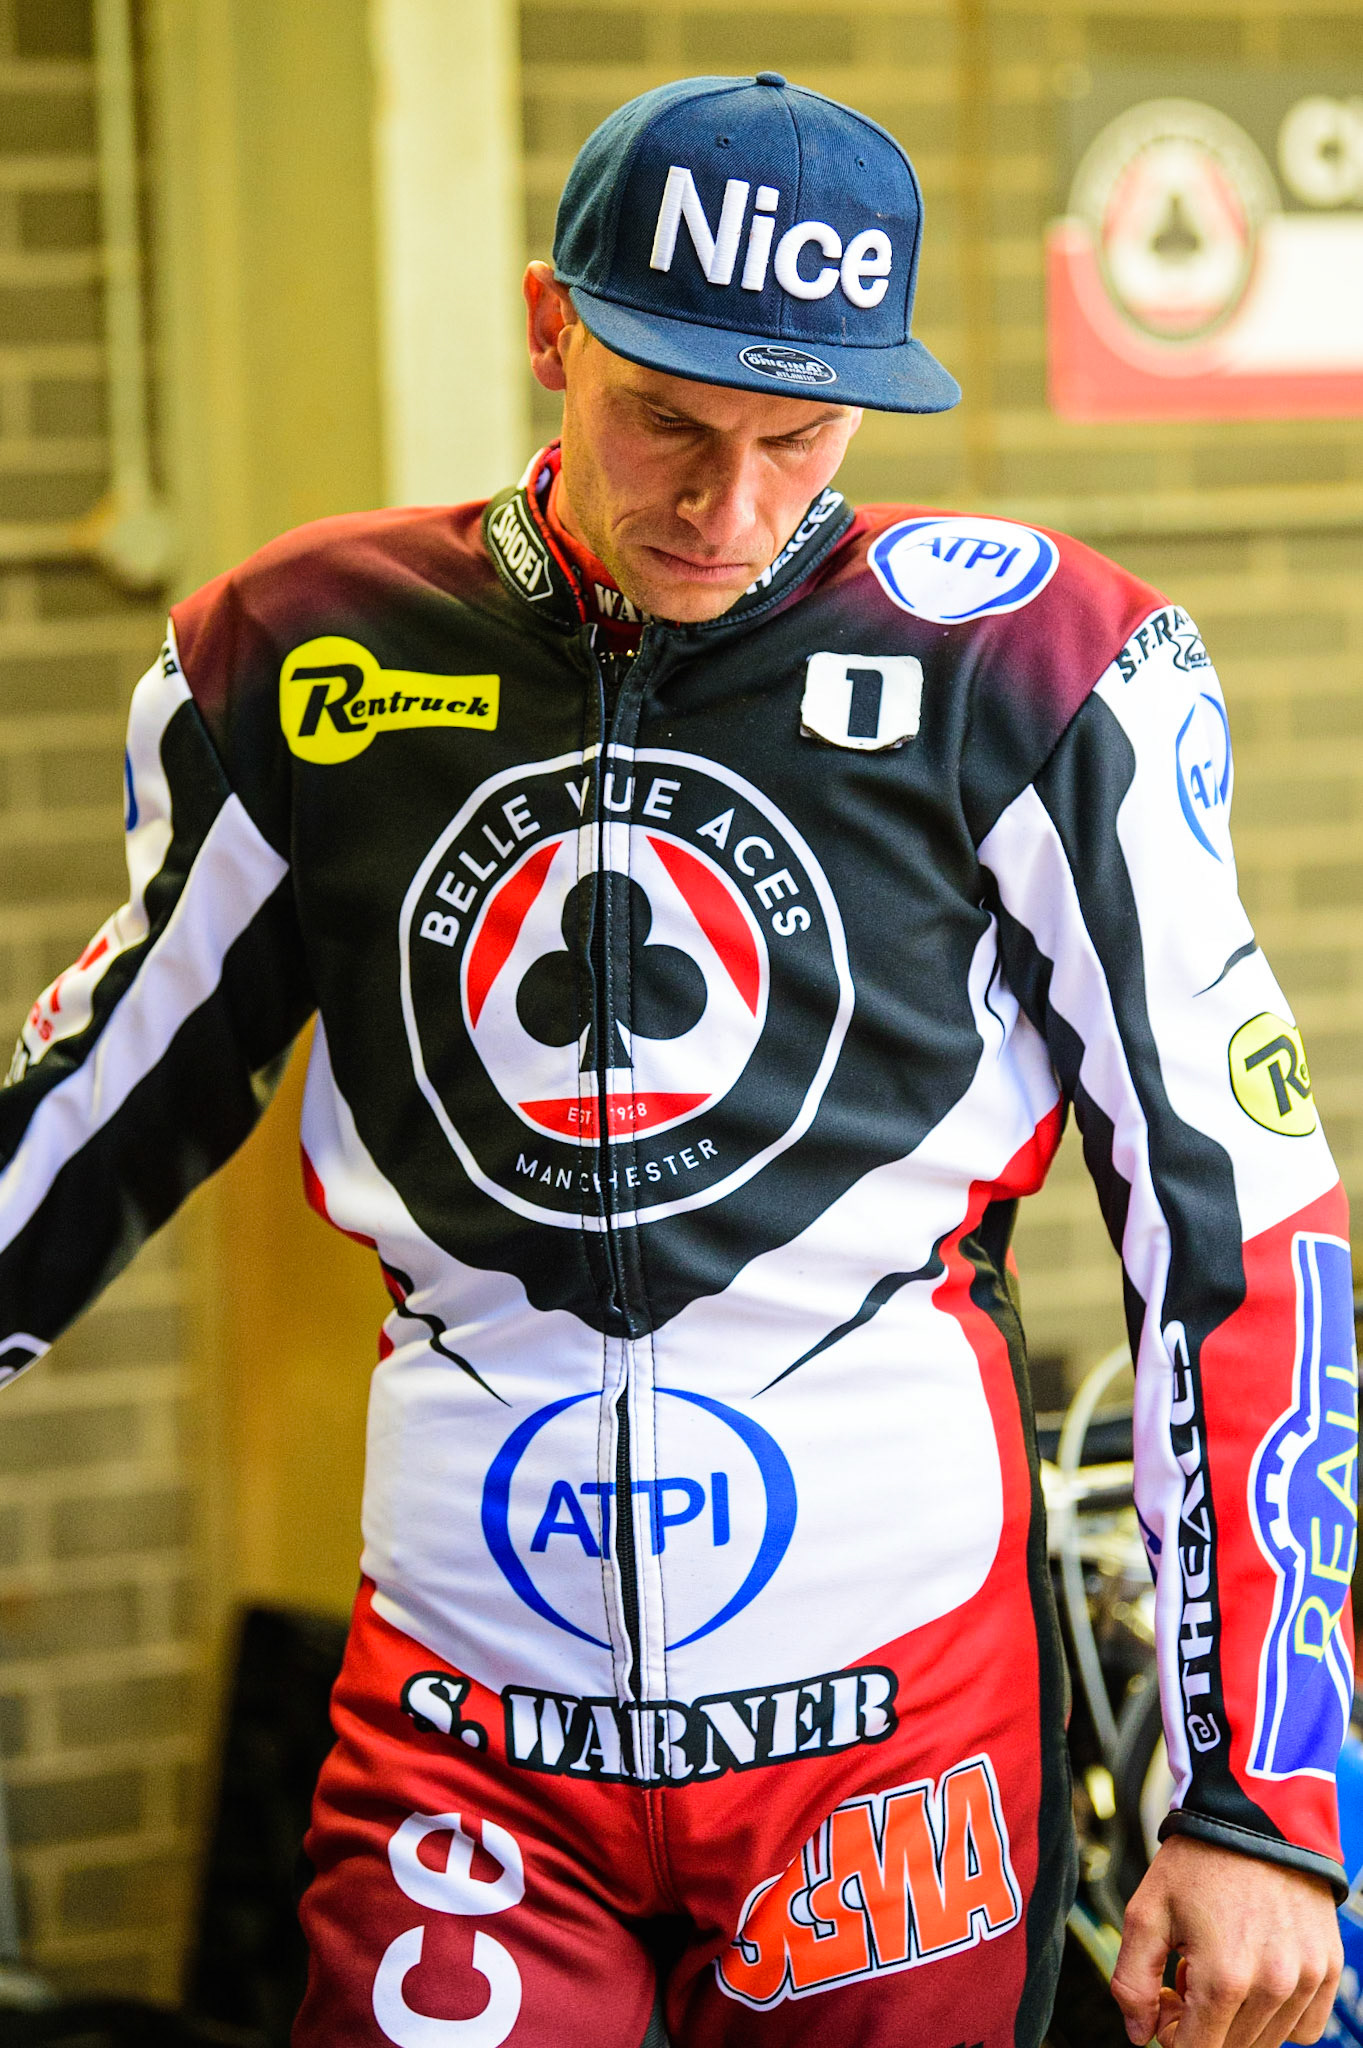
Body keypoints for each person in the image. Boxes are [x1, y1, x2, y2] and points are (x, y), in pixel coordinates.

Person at [0, 70, 1352, 2048]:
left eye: (797, 440)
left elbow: (1238, 1229)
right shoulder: (298, 654)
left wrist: (1260, 1800)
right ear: (554, 328)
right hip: (466, 1741)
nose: (726, 510)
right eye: (666, 424)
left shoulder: (1039, 673)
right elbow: (86, 1119)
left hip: (894, 1743)